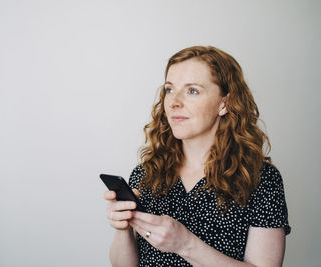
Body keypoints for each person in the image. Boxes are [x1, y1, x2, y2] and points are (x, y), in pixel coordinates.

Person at [103, 46, 290, 267]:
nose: (173, 102)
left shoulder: (260, 179)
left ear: (224, 103)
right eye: (170, 89)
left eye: (192, 91)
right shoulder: (146, 173)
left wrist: (184, 244)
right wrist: (123, 229)